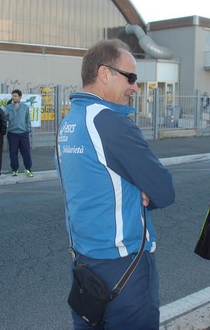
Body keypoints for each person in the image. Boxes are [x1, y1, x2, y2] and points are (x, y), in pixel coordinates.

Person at [56, 39, 175, 329]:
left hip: (83, 260)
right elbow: (164, 190)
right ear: (104, 73)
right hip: (124, 265)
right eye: (131, 77)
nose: (135, 86)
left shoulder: (71, 120)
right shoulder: (109, 122)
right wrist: (144, 190)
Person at [5, 89, 33, 177]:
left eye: (15, 96)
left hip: (23, 133)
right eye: (13, 96)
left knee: (26, 152)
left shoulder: (25, 107)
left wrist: (28, 130)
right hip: (12, 133)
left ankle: (28, 168)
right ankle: (15, 169)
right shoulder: (9, 107)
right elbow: (8, 119)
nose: (14, 98)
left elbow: (27, 120)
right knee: (13, 152)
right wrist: (14, 110)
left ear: (20, 97)